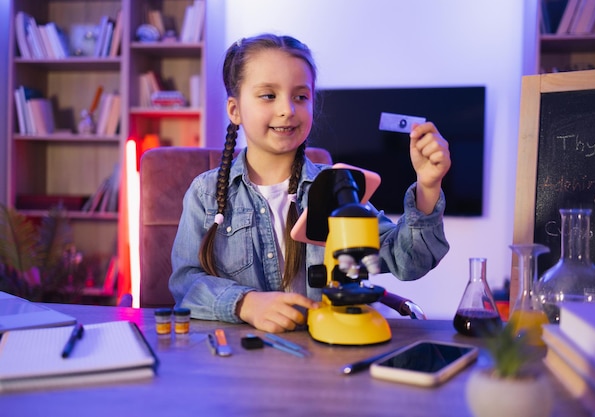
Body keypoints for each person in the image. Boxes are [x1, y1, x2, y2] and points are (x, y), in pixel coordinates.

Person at [169, 33, 451, 333]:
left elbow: (406, 260)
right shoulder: (206, 193)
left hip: (324, 355)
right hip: (237, 361)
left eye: (300, 97)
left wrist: (428, 186)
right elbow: (185, 282)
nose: (287, 109)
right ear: (234, 109)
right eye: (268, 95)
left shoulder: (337, 187)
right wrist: (246, 303)